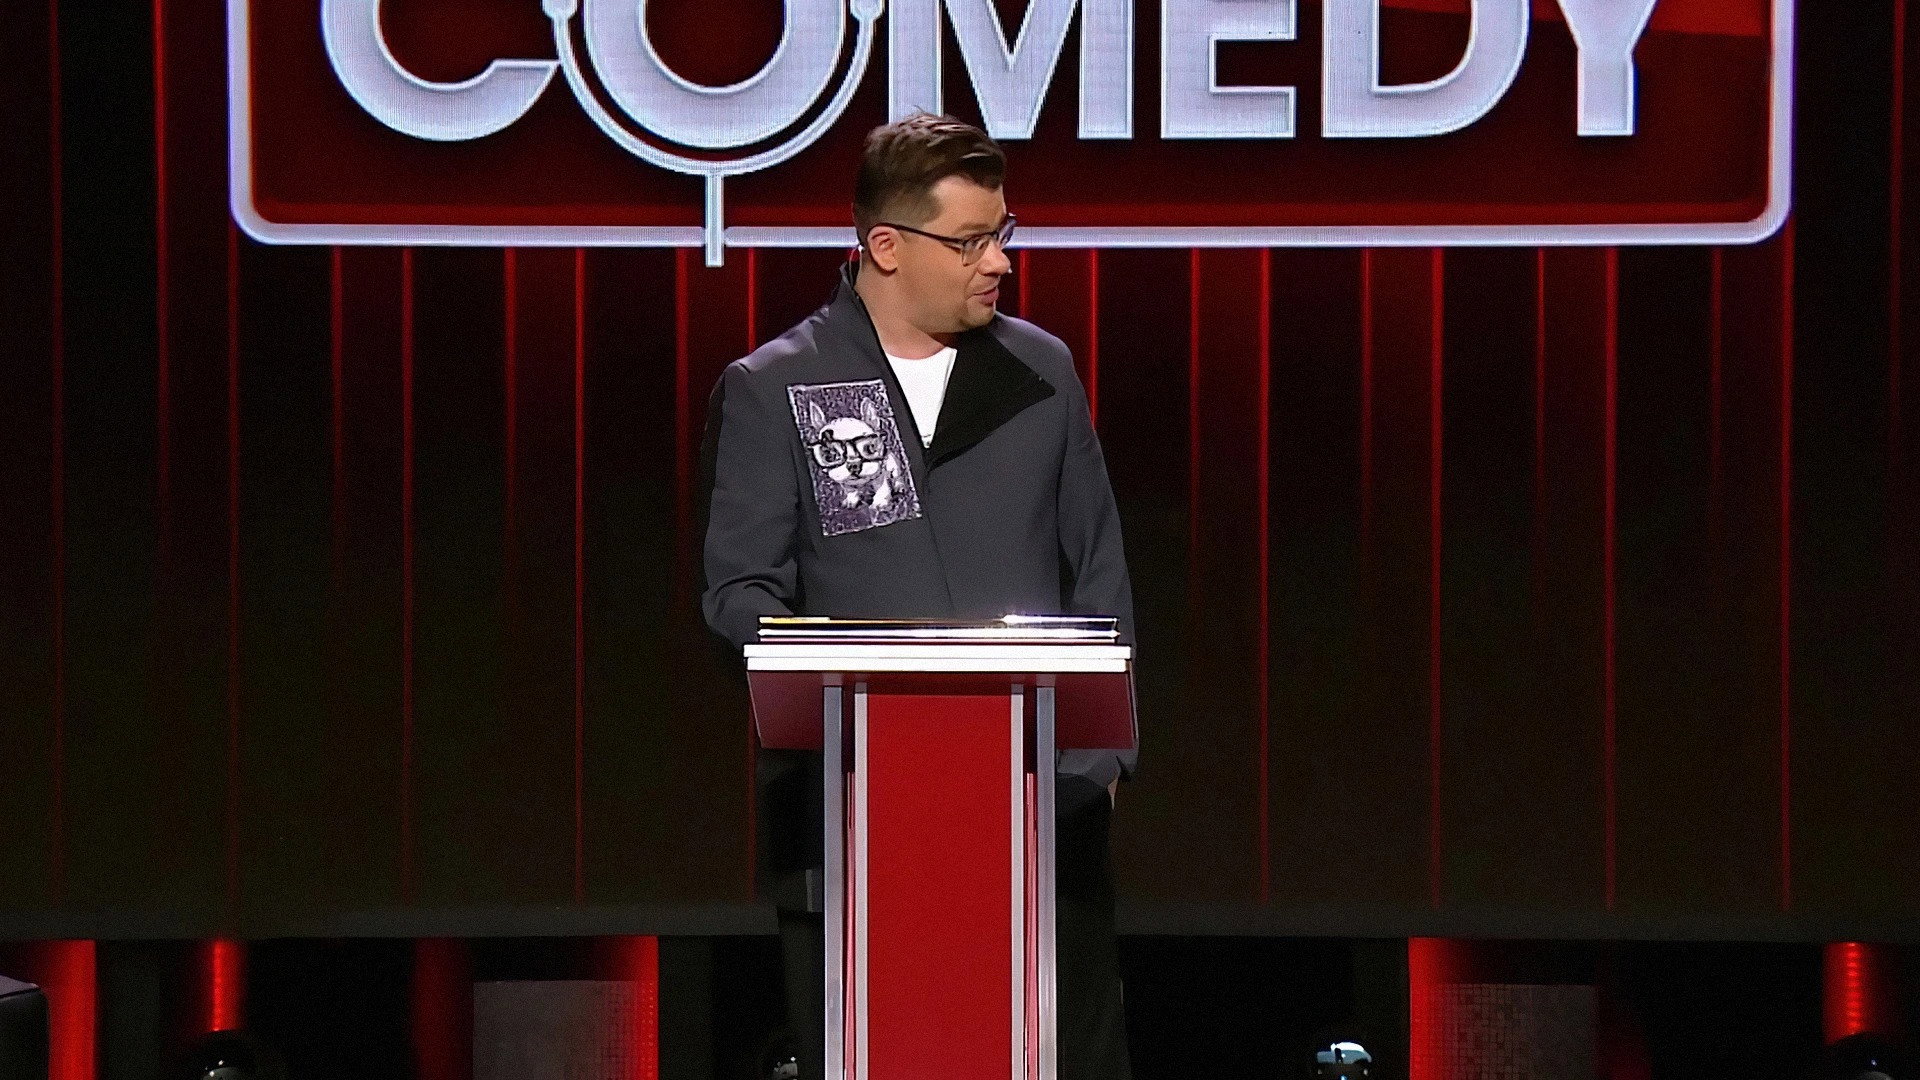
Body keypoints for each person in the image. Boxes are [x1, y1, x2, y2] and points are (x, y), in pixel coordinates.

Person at [700, 112, 1136, 1080]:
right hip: (856, 825)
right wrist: (850, 674)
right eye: (970, 242)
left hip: (1038, 823)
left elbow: (1100, 573)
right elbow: (738, 595)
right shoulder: (779, 387)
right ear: (886, 247)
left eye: (1002, 234)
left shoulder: (1042, 375)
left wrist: (1098, 770)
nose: (1000, 263)